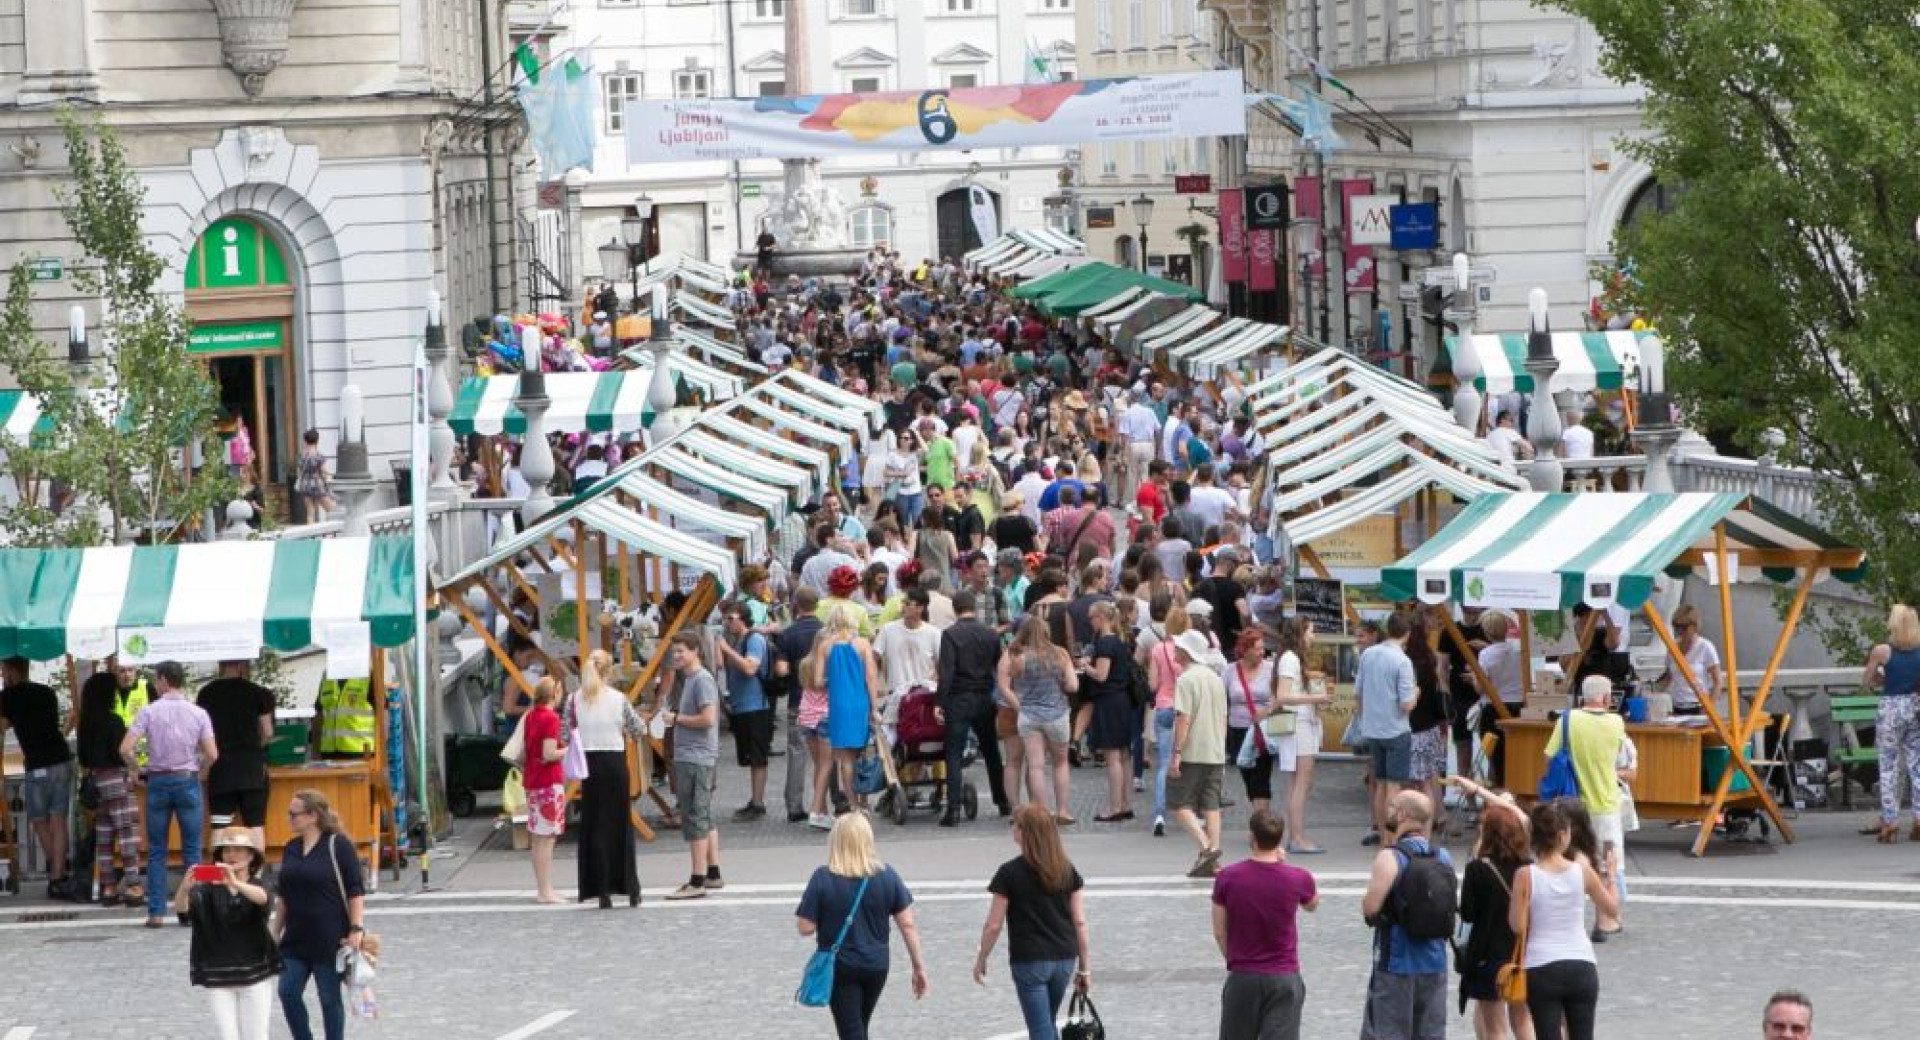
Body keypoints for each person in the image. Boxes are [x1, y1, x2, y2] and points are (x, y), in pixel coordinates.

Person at [795, 813, 929, 1040]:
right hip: (877, 965)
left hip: (842, 967)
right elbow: (907, 925)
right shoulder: (887, 875)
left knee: (852, 1031)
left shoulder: (822, 877)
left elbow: (805, 927)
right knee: (858, 1026)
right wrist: (918, 967)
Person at [973, 805, 1092, 1040]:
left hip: (1030, 960)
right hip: (1064, 958)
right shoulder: (1067, 870)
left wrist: (982, 957)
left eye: (1015, 824)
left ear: (1025, 833)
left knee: (1040, 1030)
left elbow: (993, 925)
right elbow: (1079, 921)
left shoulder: (1009, 873)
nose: (1012, 829)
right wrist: (1084, 968)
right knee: (1046, 1023)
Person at [1510, 800, 1619, 1040]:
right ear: (1562, 835)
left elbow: (1517, 925)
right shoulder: (1581, 871)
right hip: (1580, 962)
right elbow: (1612, 911)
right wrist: (1610, 877)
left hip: (1541, 964)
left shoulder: (1525, 875)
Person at [121, 660, 218, 927]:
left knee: (156, 851)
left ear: (164, 680)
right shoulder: (199, 713)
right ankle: (193, 910)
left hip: (158, 782)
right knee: (192, 849)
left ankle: (155, 912)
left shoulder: (149, 712)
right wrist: (200, 771)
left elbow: (125, 748)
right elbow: (212, 753)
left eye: (155, 679)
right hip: (187, 781)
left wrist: (136, 769)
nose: (154, 683)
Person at [1211, 810, 1318, 1040]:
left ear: (1252, 837)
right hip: (1283, 975)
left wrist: (1235, 958)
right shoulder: (1298, 877)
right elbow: (1312, 904)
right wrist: (1285, 864)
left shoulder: (1227, 877)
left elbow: (1220, 932)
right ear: (1280, 838)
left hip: (1243, 976)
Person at [1445, 778, 1535, 1040]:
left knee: (1494, 1028)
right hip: (1522, 951)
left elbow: (1469, 913)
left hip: (1488, 954)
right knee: (1523, 1020)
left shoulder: (1478, 867)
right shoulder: (1528, 865)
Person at [1359, 790, 1452, 1040]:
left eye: (1392, 807)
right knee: (1430, 1032)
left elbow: (1370, 908)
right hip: (1435, 960)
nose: (1387, 811)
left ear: (1403, 814)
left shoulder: (1390, 857)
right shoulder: (1442, 857)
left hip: (1397, 960)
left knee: (1388, 1031)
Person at [274, 789, 366, 1040]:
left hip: (330, 937)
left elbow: (355, 891)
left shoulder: (338, 845)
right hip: (295, 937)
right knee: (287, 991)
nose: (289, 819)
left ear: (313, 815)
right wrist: (275, 932)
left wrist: (356, 929)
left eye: (293, 814)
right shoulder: (290, 848)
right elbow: (283, 895)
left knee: (328, 999)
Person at [176, 826, 280, 1040]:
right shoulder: (206, 890)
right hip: (218, 974)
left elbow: (264, 899)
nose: (232, 855)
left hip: (256, 974)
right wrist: (184, 889)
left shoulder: (259, 885)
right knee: (227, 1036)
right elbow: (183, 914)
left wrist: (235, 882)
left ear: (251, 856)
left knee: (257, 1036)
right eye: (227, 850)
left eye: (239, 850)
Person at [1548, 674, 1629, 938]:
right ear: (1606, 698)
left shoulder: (1566, 721)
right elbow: (1619, 757)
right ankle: (1604, 920)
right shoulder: (1616, 722)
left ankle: (1569, 919)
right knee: (1606, 860)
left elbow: (1549, 757)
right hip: (1605, 804)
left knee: (1572, 859)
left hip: (1573, 805)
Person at [570, 649, 645, 908]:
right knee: (619, 824)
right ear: (608, 671)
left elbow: (565, 732)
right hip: (614, 762)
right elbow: (638, 729)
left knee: (594, 825)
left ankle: (600, 888)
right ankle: (629, 885)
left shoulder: (574, 700)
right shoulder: (618, 698)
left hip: (589, 765)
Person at [1, 655, 76, 898]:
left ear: (13, 670)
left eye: (3, 670)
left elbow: (2, 727)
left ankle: (57, 873)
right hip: (60, 759)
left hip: (36, 765)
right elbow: (56, 722)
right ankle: (58, 875)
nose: (2, 675)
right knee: (58, 820)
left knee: (38, 821)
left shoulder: (7, 698)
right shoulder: (47, 692)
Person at [937, 590, 1010, 825]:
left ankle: (954, 809)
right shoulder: (990, 634)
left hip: (959, 698)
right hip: (985, 697)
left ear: (954, 609)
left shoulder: (950, 635)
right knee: (991, 752)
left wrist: (939, 702)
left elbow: (946, 672)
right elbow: (998, 666)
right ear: (974, 608)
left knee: (954, 754)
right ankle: (1002, 800)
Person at [662, 631, 725, 900]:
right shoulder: (690, 679)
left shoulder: (701, 680)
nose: (676, 656)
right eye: (674, 652)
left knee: (695, 817)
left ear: (695, 651)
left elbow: (708, 719)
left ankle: (696, 880)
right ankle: (712, 873)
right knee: (704, 816)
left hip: (696, 756)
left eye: (681, 651)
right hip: (694, 755)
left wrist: (676, 719)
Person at [999, 616, 1080, 823]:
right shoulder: (1060, 654)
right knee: (1060, 763)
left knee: (1036, 765)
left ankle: (1041, 812)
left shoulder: (1019, 657)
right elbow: (1073, 686)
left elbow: (1009, 676)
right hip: (1057, 714)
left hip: (1028, 716)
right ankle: (1062, 810)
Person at [75, 666, 143, 906]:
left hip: (95, 781)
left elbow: (82, 757)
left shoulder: (84, 723)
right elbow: (123, 752)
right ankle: (134, 886)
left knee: (104, 836)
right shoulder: (114, 721)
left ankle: (108, 887)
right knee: (126, 833)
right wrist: (135, 769)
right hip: (116, 778)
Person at [197, 660, 276, 854]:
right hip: (251, 768)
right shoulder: (259, 692)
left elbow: (202, 735)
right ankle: (255, 874)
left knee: (219, 826)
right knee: (255, 825)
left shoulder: (206, 693)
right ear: (242, 666)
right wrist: (255, 747)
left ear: (220, 665)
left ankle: (216, 876)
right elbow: (267, 732)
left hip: (220, 767)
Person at [1168, 630, 1229, 878]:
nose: (1175, 649)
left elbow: (1183, 718)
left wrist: (1176, 753)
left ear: (1186, 652)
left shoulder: (1186, 680)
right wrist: (1222, 748)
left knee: (1176, 801)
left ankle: (1206, 849)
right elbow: (1223, 718)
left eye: (1179, 647)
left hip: (1193, 750)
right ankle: (1213, 859)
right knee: (1211, 804)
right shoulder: (1215, 678)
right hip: (1214, 750)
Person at [1356, 614, 1420, 844]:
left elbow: (1358, 693)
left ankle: (1382, 832)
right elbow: (1406, 704)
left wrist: (1365, 719)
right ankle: (1391, 838)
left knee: (1380, 783)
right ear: (1407, 634)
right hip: (1395, 728)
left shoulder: (1368, 654)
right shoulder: (1402, 661)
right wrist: (1416, 693)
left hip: (1372, 728)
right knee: (1394, 786)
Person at [1273, 616, 1332, 854]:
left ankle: (1295, 835)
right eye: (1310, 632)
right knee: (1301, 782)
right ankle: (1297, 837)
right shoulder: (1290, 659)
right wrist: (1316, 698)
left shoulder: (1290, 658)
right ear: (1300, 633)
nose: (1313, 636)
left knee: (1299, 782)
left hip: (1300, 722)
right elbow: (1283, 695)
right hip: (1299, 724)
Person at [1862, 604, 1920, 843]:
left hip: (1890, 709)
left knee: (1888, 767)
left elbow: (1868, 680)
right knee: (1917, 766)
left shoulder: (1883, 651)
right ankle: (1918, 819)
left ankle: (1890, 821)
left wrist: (1882, 678)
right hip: (1915, 707)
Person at [716, 602, 775, 820]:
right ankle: (754, 800)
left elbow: (750, 668)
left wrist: (726, 649)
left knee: (757, 756)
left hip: (756, 705)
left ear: (743, 618)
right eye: (725, 619)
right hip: (742, 705)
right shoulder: (738, 640)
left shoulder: (754, 639)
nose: (727, 623)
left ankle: (758, 802)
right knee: (749, 756)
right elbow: (721, 665)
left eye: (731, 618)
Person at [1081, 601, 1135, 822]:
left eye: (1091, 618)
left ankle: (1114, 807)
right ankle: (1126, 804)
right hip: (1122, 701)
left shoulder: (1104, 644)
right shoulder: (1120, 641)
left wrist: (1085, 666)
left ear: (1100, 618)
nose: (1090, 623)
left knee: (1112, 756)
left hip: (1108, 701)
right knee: (1124, 756)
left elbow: (1101, 675)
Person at [777, 587, 827, 823]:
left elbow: (781, 669)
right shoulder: (825, 633)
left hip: (799, 701)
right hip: (827, 702)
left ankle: (795, 805)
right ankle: (833, 801)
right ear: (817, 604)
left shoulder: (787, 634)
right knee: (828, 756)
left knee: (797, 754)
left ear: (795, 604)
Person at [1222, 628, 1280, 815]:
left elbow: (1280, 696)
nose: (1262, 652)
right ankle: (1261, 819)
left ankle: (1261, 823)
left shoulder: (1271, 669)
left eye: (1263, 648)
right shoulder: (1230, 671)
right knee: (1247, 775)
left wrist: (1267, 710)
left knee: (1261, 776)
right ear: (1244, 649)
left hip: (1263, 729)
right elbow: (1222, 700)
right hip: (1239, 729)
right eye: (1257, 649)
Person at [521, 676, 567, 904]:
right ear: (554, 694)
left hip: (532, 780)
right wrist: (569, 750)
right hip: (548, 781)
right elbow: (549, 753)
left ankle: (543, 887)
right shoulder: (551, 718)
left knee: (538, 838)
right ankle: (545, 890)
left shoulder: (531, 716)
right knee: (547, 838)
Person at [294, 428, 333, 522]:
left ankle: (311, 535)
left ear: (305, 440)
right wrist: (330, 475)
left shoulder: (302, 456)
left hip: (305, 484)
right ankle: (330, 532)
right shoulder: (319, 456)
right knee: (330, 509)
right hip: (317, 483)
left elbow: (298, 472)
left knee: (310, 513)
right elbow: (323, 471)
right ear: (317, 440)